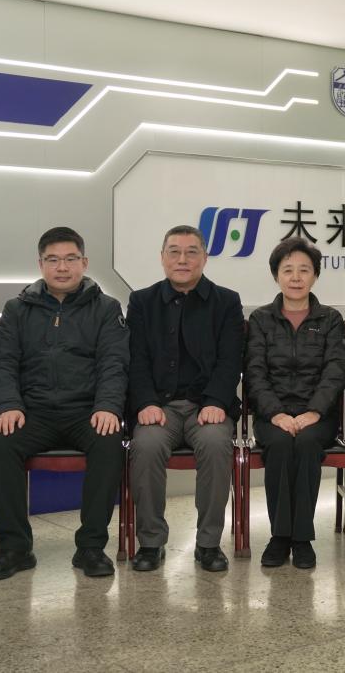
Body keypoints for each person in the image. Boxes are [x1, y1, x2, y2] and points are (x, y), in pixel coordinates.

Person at [0, 227, 128, 580]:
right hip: (33, 412)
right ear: (41, 264)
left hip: (87, 412)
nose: (62, 267)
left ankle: (91, 548)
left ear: (84, 263)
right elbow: (4, 363)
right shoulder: (17, 309)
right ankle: (15, 549)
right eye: (53, 260)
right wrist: (8, 405)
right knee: (0, 445)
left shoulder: (106, 308)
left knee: (109, 441)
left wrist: (107, 406)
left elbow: (114, 362)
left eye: (70, 259)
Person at [127, 225, 244, 573]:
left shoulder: (226, 301)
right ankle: (151, 542)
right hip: (158, 408)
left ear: (204, 258)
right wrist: (145, 402)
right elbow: (135, 359)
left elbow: (231, 359)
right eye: (174, 252)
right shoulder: (142, 302)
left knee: (216, 443)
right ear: (162, 258)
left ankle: (208, 544)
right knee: (145, 446)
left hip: (207, 407)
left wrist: (216, 401)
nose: (182, 259)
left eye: (191, 252)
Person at [245, 238, 345, 569]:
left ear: (315, 275)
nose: (296, 277)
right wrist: (275, 414)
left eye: (304, 270)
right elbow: (255, 374)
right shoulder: (261, 319)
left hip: (318, 415)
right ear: (276, 275)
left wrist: (314, 411)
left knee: (305, 445)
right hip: (271, 415)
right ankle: (279, 536)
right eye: (287, 270)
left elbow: (335, 371)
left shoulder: (329, 319)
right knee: (278, 445)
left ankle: (301, 538)